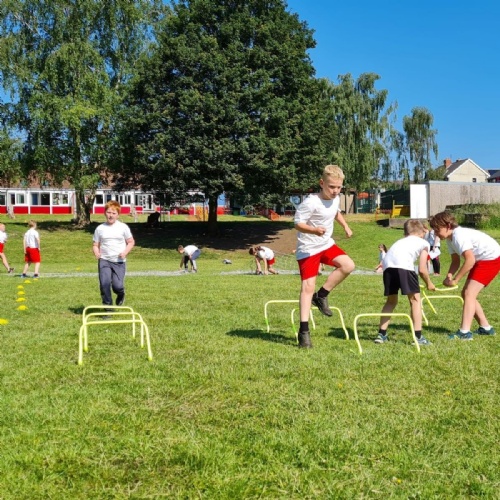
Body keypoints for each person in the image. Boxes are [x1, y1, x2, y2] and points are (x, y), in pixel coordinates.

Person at [294, 164, 355, 348]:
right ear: (322, 183)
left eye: (339, 187)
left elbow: (335, 212)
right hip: (308, 248)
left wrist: (345, 226)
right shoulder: (311, 202)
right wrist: (313, 230)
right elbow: (297, 224)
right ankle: (304, 331)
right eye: (331, 187)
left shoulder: (335, 199)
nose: (335, 191)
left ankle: (321, 295)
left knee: (348, 265)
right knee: (307, 287)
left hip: (326, 244)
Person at [429, 211, 500, 340]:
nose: (435, 233)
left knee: (469, 293)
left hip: (490, 259)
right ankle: (486, 328)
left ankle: (464, 333)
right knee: (467, 294)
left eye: (437, 229)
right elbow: (455, 261)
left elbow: (470, 260)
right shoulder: (450, 239)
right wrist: (449, 275)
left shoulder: (459, 236)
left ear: (448, 226)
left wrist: (456, 279)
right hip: (481, 260)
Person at [374, 219, 436, 346]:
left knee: (391, 301)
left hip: (388, 268)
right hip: (404, 268)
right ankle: (418, 337)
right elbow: (422, 269)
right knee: (415, 301)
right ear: (421, 232)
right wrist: (429, 283)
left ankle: (381, 334)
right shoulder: (424, 243)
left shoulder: (400, 241)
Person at [93, 200, 135, 307]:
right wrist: (96, 252)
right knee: (104, 284)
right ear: (104, 213)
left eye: (113, 213)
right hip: (104, 260)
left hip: (119, 261)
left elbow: (131, 242)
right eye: (108, 212)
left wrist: (125, 252)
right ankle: (108, 308)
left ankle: (121, 294)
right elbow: (95, 244)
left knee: (117, 286)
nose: (110, 215)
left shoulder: (123, 227)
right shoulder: (100, 229)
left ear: (118, 215)